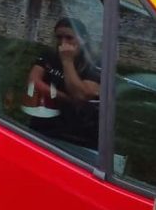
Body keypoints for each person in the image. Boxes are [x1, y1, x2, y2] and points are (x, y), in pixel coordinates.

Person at [22, 17, 101, 149]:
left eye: (69, 38)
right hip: (44, 124)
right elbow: (33, 82)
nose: (63, 43)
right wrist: (66, 98)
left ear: (83, 39)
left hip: (77, 135)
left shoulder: (93, 64)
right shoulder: (49, 55)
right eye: (59, 38)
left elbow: (81, 94)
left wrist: (67, 62)